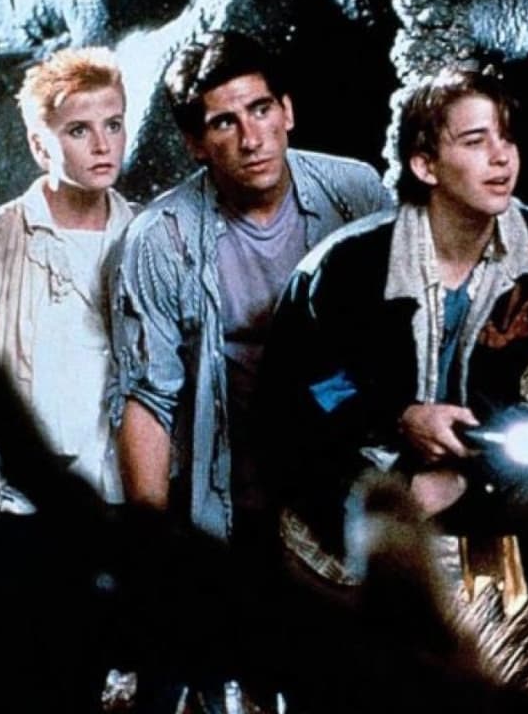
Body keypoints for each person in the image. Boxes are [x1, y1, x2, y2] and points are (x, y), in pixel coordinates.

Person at [259, 64, 528, 714]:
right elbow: (310, 389)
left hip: (490, 470)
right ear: (425, 164)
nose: (501, 156)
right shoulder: (347, 268)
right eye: (475, 141)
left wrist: (474, 471)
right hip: (366, 482)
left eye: (506, 138)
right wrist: (397, 422)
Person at [109, 30, 393, 545]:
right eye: (225, 122)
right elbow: (149, 399)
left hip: (349, 481)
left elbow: (400, 338)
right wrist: (150, 549)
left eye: (261, 110)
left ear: (287, 111)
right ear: (195, 143)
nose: (252, 139)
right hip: (233, 496)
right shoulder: (161, 237)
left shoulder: (356, 193)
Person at [0, 46, 133, 712]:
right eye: (78, 130)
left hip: (106, 515)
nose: (101, 145)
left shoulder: (148, 237)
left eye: (113, 124)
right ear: (38, 143)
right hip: (10, 516)